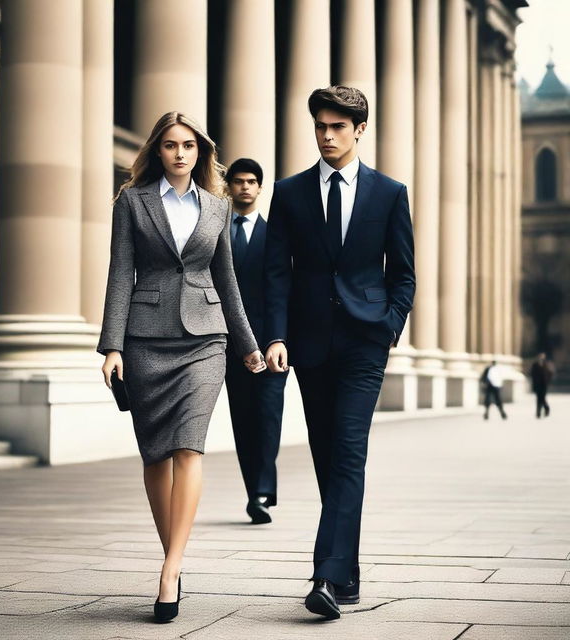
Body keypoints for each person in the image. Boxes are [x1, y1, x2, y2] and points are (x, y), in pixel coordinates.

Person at [97, 112, 266, 622]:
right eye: (170, 145)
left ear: (201, 152)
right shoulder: (132, 202)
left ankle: (171, 569)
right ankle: (172, 555)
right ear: (158, 150)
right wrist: (111, 346)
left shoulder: (218, 207)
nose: (179, 153)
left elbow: (227, 280)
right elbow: (119, 272)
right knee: (155, 455)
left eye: (188, 145)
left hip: (205, 340)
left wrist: (247, 344)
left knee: (189, 447)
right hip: (145, 339)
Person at [263, 86, 415, 619]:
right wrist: (276, 337)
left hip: (364, 343)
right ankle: (346, 567)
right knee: (327, 456)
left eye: (337, 128)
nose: (326, 136)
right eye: (320, 127)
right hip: (308, 343)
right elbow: (276, 273)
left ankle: (325, 577)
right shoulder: (289, 192)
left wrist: (389, 327)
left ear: (359, 130)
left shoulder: (389, 193)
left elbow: (403, 273)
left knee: (349, 450)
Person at [224, 158, 289, 525]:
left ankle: (262, 491)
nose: (245, 187)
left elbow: (284, 291)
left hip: (269, 346)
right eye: (238, 181)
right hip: (231, 346)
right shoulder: (219, 233)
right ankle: (254, 491)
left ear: (260, 188)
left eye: (251, 181)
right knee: (244, 420)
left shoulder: (275, 236)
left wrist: (280, 339)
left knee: (268, 418)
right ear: (229, 187)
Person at [530, 352, 554, 418]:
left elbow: (550, 373)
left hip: (544, 385)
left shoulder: (546, 364)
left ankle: (546, 408)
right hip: (537, 385)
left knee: (542, 398)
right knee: (538, 399)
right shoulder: (535, 365)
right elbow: (532, 374)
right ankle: (538, 413)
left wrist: (547, 381)